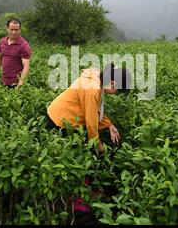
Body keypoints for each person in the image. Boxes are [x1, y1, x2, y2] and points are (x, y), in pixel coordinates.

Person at [46, 63, 132, 213]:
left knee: (80, 157)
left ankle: (83, 193)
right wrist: (99, 146)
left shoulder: (97, 77)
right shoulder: (92, 89)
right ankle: (78, 200)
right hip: (60, 121)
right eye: (117, 91)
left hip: (64, 116)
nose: (115, 94)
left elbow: (95, 111)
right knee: (76, 160)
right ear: (112, 83)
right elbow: (91, 123)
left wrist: (109, 125)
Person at [0, 18, 32, 89]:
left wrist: (21, 83)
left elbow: (26, 66)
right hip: (3, 82)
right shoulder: (2, 41)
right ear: (7, 29)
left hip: (16, 84)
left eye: (16, 30)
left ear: (20, 30)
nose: (14, 32)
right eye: (11, 29)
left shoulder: (24, 45)